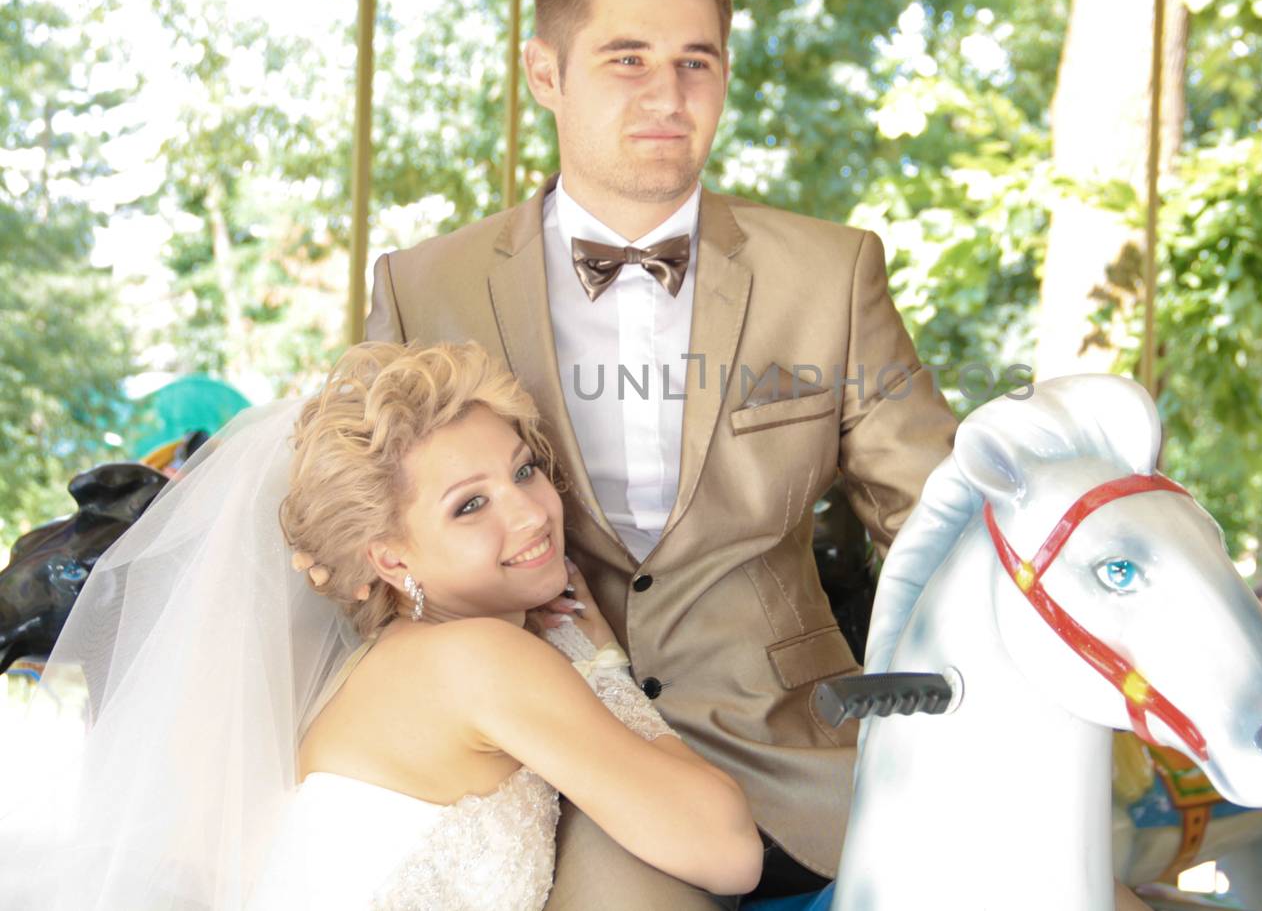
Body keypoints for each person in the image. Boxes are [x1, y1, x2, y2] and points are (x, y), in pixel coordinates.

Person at [365, 0, 959, 906]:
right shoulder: (427, 286)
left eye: (696, 63)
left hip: (795, 751)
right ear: (544, 73)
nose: (668, 96)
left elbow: (941, 517)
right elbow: (374, 537)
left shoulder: (828, 271)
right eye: (626, 59)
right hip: (537, 754)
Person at [0, 340, 763, 910]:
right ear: (389, 557)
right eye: (470, 504)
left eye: (525, 469)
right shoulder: (479, 660)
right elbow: (730, 851)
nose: (531, 511)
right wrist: (602, 663)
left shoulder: (383, 663)